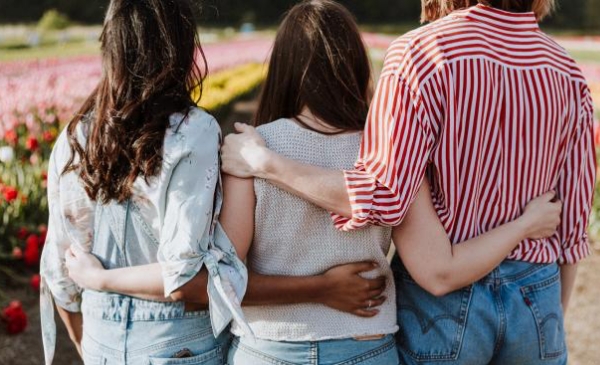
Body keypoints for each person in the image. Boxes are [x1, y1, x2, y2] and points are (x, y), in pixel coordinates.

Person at [220, 0, 596, 364]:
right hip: (537, 297)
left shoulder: (422, 53)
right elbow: (573, 222)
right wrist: (550, 319)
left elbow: (385, 193)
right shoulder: (567, 69)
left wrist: (265, 163)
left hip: (447, 307)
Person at [40, 0, 244, 364]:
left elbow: (60, 274)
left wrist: (91, 346)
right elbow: (181, 275)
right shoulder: (191, 131)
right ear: (178, 46)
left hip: (100, 338)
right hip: (177, 343)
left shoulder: (76, 137)